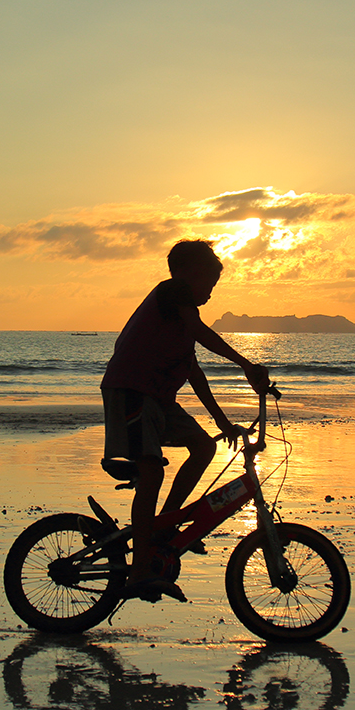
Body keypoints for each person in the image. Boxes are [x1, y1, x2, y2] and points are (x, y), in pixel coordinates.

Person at [101, 239, 270, 602]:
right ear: (192, 273)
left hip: (157, 399)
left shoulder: (180, 321)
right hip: (131, 392)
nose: (211, 290)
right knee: (152, 472)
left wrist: (223, 424)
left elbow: (196, 375)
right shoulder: (173, 294)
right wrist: (246, 365)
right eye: (210, 281)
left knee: (204, 446)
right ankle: (139, 569)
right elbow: (201, 332)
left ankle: (166, 523)